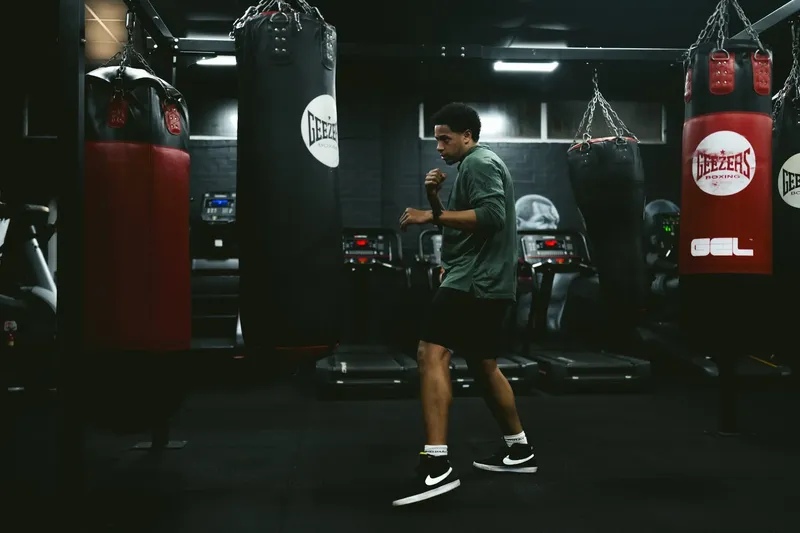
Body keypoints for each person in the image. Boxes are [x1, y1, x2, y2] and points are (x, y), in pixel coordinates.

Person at [393, 103, 536, 507]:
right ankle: (519, 448)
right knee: (483, 363)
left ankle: (436, 465)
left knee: (430, 353)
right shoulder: (474, 164)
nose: (439, 146)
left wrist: (428, 215)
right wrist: (434, 198)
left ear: (467, 136)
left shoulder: (478, 163)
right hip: (485, 279)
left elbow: (491, 216)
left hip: (474, 280)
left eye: (445, 138)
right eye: (437, 138)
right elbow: (465, 221)